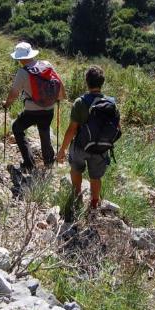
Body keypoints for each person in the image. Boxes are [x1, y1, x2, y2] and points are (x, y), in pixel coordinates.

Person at [57, 66, 112, 212]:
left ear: (86, 82)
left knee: (76, 170)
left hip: (81, 146)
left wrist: (62, 149)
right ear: (102, 83)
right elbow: (117, 128)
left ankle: (77, 196)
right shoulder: (110, 103)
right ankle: (94, 203)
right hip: (100, 149)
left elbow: (72, 129)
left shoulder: (80, 102)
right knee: (95, 177)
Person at [2, 41, 64, 173]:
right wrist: (59, 98)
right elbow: (58, 81)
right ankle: (48, 161)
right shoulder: (47, 64)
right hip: (49, 108)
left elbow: (14, 93)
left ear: (20, 58)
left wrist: (7, 104)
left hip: (32, 111)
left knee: (17, 128)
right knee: (44, 131)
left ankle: (29, 163)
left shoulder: (22, 72)